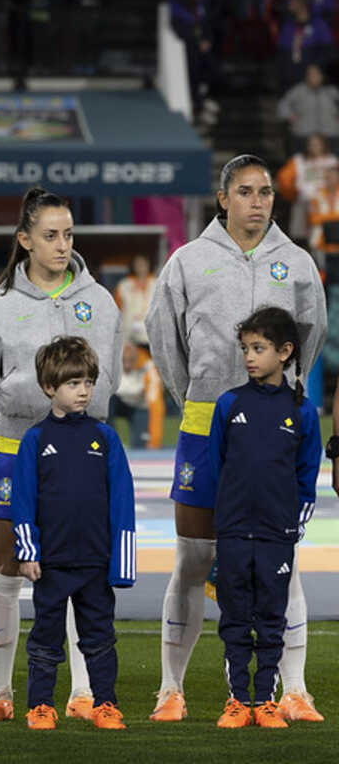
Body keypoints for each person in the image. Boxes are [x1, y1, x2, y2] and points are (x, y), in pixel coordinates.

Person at [145, 154, 327, 724]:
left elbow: (311, 335)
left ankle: (293, 689)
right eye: (246, 191)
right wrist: (195, 398)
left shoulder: (296, 263)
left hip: (275, 431)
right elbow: (163, 340)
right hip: (204, 427)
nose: (258, 201)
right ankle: (170, 689)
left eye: (266, 191)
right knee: (194, 561)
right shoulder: (186, 262)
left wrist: (280, 402)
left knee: (282, 562)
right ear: (223, 198)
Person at [0, 186, 122, 723]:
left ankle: (81, 694)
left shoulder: (99, 301)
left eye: (69, 234)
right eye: (50, 235)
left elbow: (111, 380)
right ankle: (1, 693)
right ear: (24, 239)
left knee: (80, 569)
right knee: (7, 567)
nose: (62, 245)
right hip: (14, 452)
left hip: (82, 456)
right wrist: (18, 419)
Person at [12, 336, 135, 731]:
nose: (83, 391)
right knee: (45, 639)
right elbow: (23, 502)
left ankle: (106, 704)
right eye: (72, 383)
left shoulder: (105, 438)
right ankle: (40, 706)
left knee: (100, 639)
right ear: (50, 387)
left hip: (96, 563)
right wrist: (28, 552)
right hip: (50, 564)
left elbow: (123, 501)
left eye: (88, 382)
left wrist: (123, 561)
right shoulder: (35, 440)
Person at [208, 307, 320, 730]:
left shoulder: (303, 413)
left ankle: (266, 701)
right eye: (245, 349)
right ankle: (238, 700)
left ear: (285, 352)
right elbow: (218, 468)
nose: (249, 357)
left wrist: (293, 523)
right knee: (235, 616)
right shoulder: (229, 404)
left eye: (258, 348)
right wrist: (226, 518)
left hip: (278, 534)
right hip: (234, 530)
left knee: (272, 616)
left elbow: (307, 477)